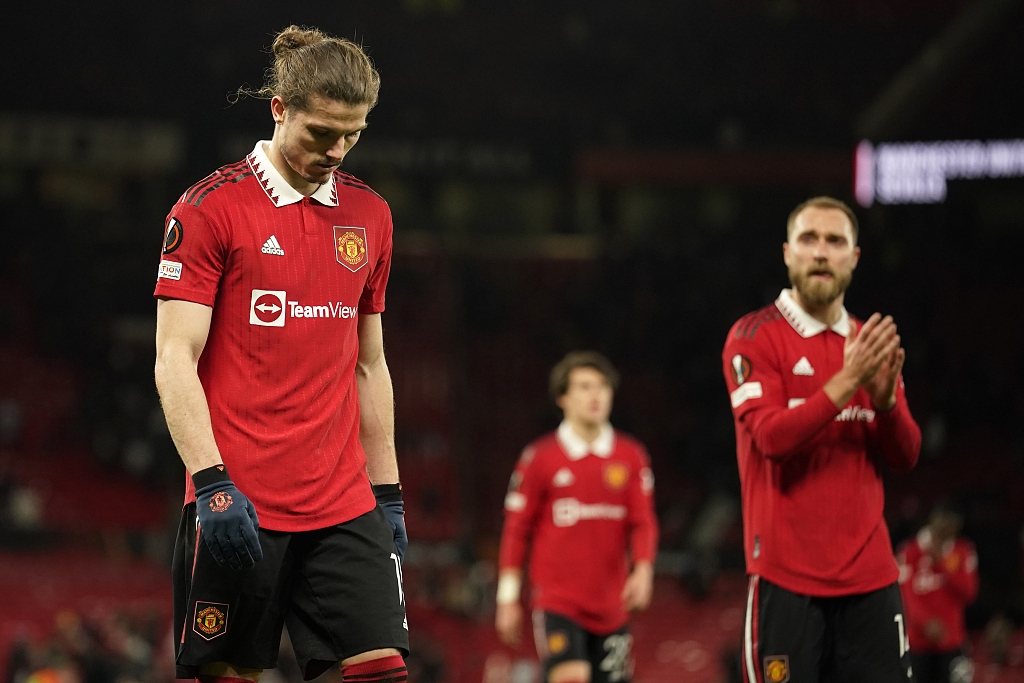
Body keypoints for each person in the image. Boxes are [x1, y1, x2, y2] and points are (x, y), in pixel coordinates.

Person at [153, 26, 409, 683]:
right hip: (239, 502)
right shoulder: (208, 209)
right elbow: (174, 357)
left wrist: (388, 489)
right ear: (279, 108)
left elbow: (368, 364)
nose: (337, 149)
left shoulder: (371, 215)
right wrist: (210, 482)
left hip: (344, 502)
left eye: (353, 133)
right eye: (322, 131)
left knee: (380, 671)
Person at [722, 196, 922, 683]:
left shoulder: (866, 341)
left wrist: (886, 404)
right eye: (809, 239)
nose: (821, 252)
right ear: (788, 253)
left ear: (853, 258)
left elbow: (906, 455)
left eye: (835, 241)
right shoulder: (754, 336)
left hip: (871, 579)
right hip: (786, 579)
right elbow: (771, 437)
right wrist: (847, 381)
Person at [495, 352, 659, 683]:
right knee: (572, 676)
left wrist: (643, 570)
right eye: (584, 387)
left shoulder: (631, 456)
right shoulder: (539, 458)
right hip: (558, 602)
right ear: (563, 398)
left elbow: (643, 523)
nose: (595, 395)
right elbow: (516, 530)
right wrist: (508, 598)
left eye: (602, 387)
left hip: (613, 606)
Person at [897, 504, 979, 683]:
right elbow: (906, 596)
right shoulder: (909, 551)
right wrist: (926, 623)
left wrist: (942, 564)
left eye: (952, 526)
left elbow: (969, 593)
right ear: (933, 520)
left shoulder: (962, 551)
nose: (947, 529)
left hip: (953, 640)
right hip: (918, 643)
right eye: (944, 523)